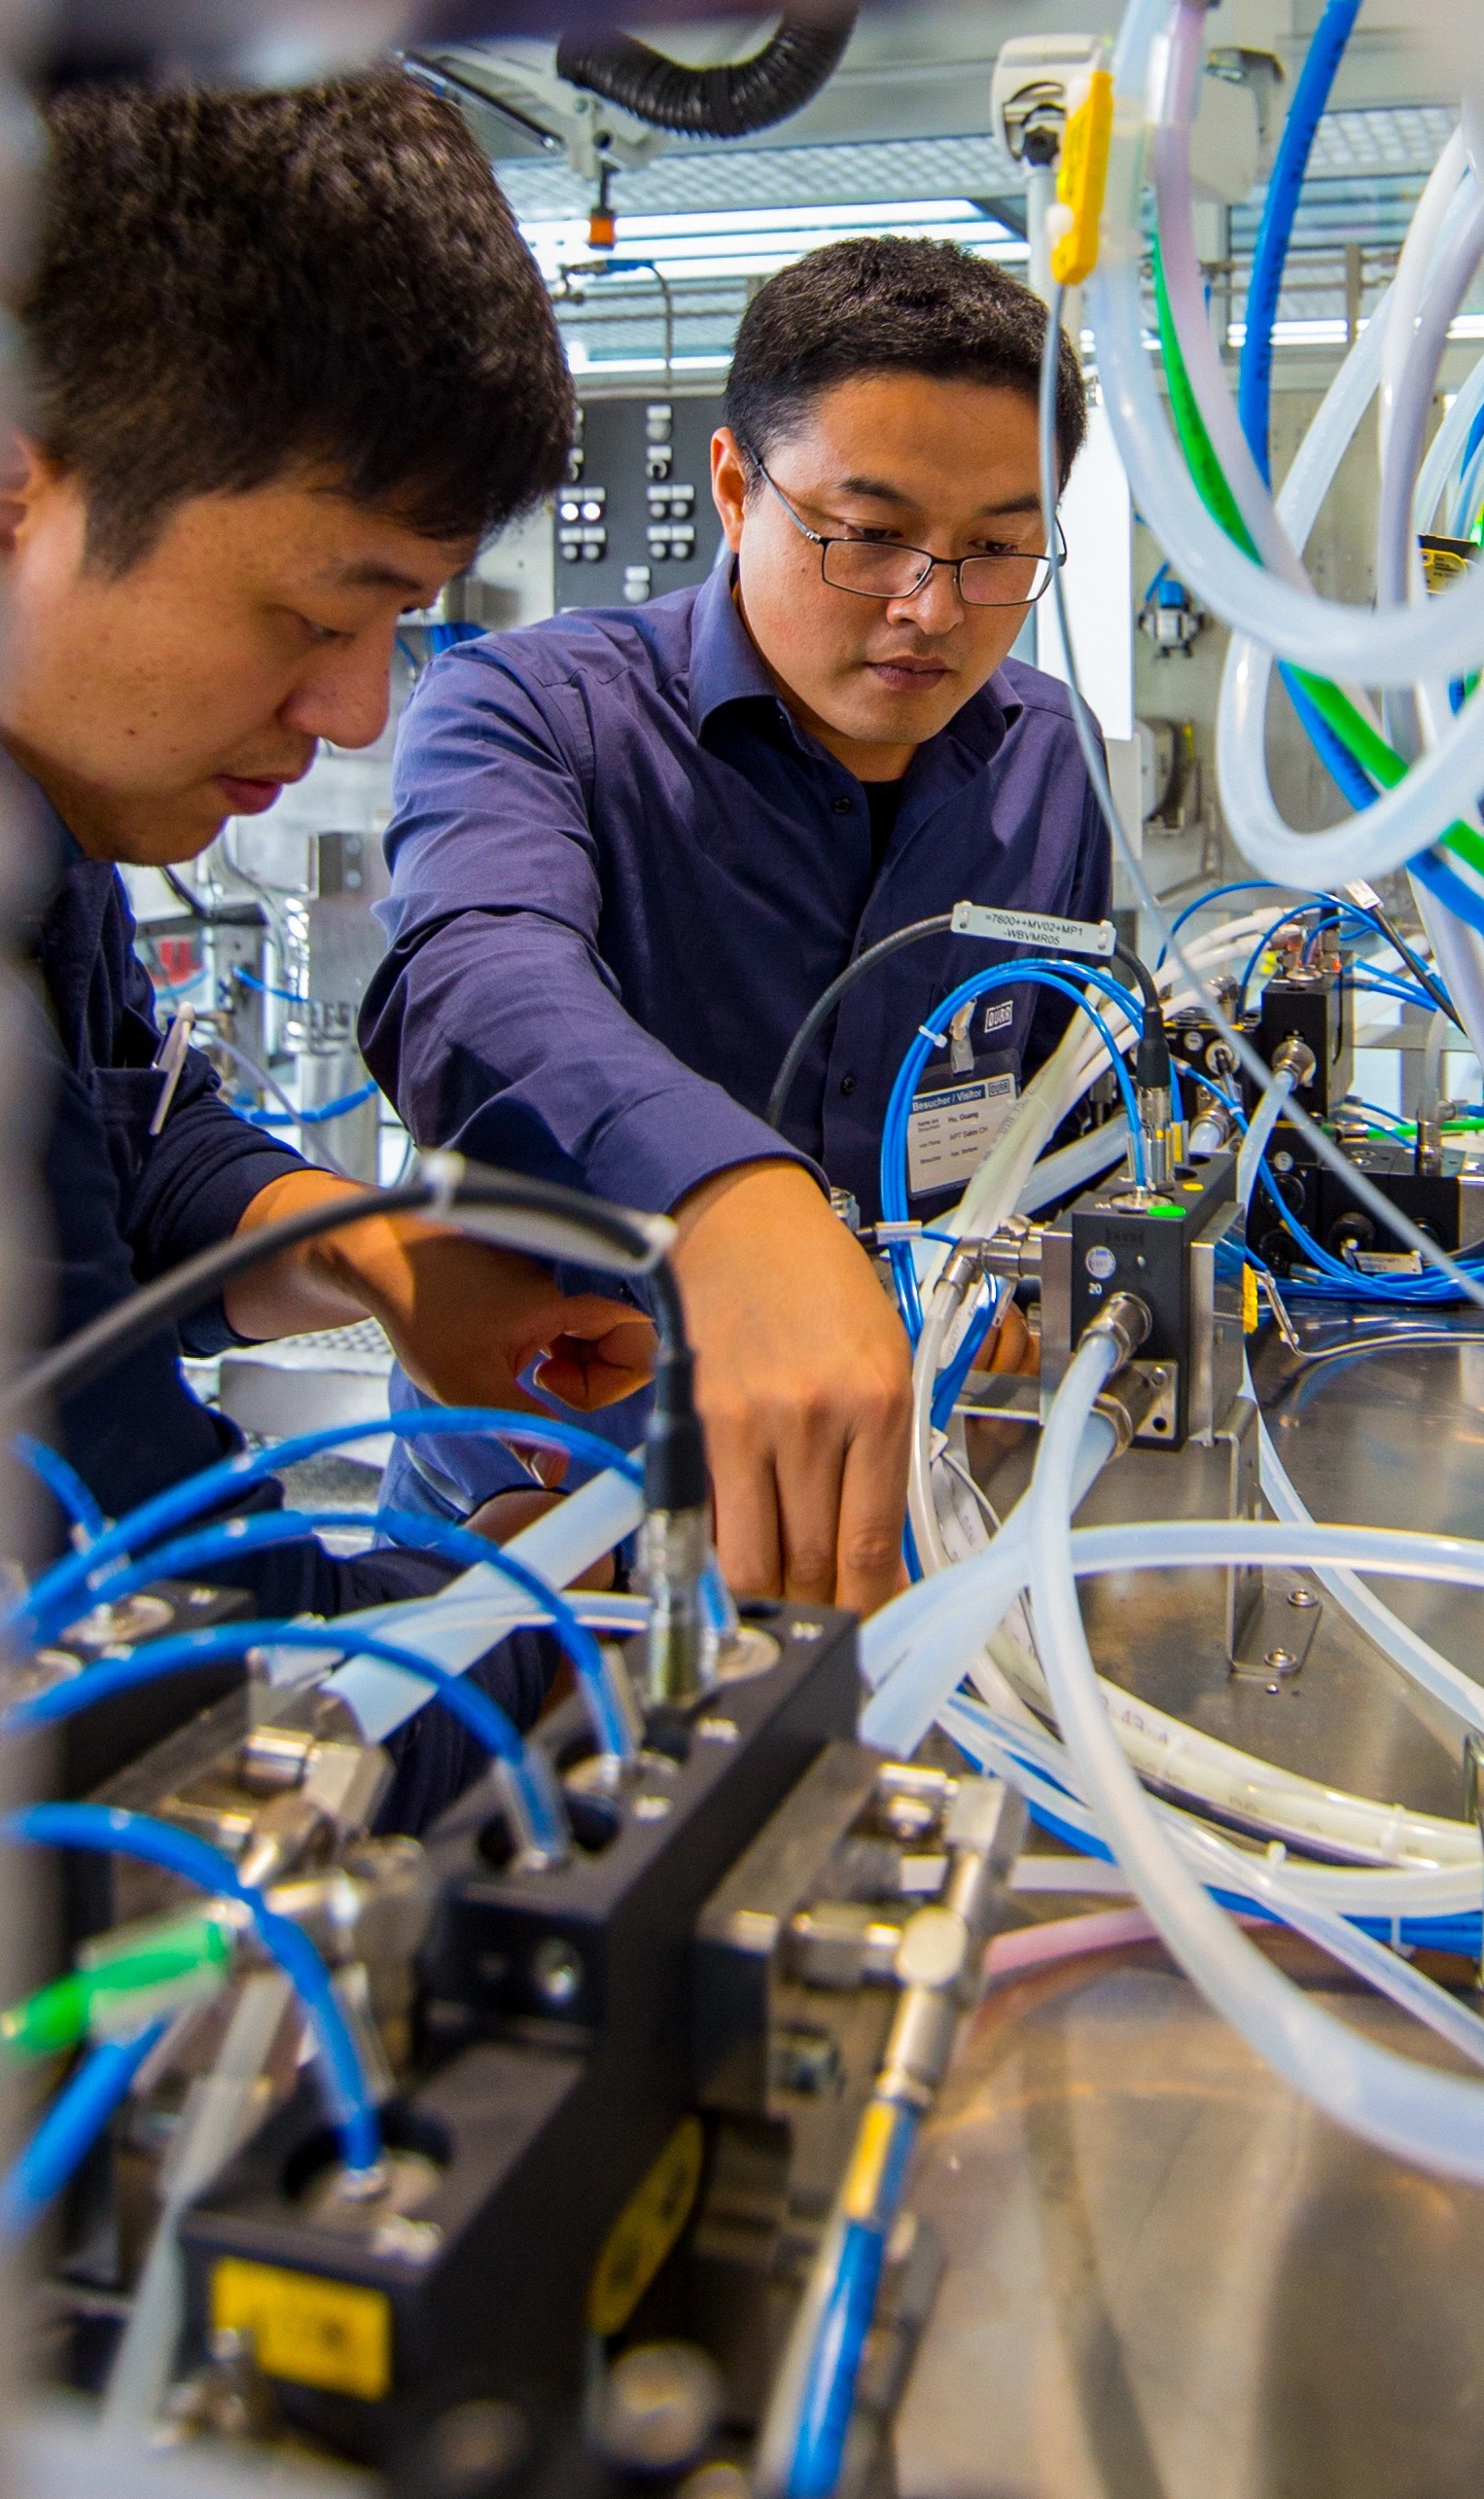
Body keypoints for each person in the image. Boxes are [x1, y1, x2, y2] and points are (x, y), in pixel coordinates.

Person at [6, 73, 655, 1825]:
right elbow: (190, 1691)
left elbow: (132, 1156)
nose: (357, 708)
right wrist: (549, 1605)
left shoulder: (49, 832)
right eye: (314, 613)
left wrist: (383, 1256)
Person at [365, 236, 1112, 1619]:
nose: (930, 607)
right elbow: (473, 982)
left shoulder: (1051, 760)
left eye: (999, 549)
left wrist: (1018, 1283)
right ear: (732, 486)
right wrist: (728, 1200)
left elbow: (1063, 1104)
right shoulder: (536, 714)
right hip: (555, 1507)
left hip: (907, 1502)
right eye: (869, 532)